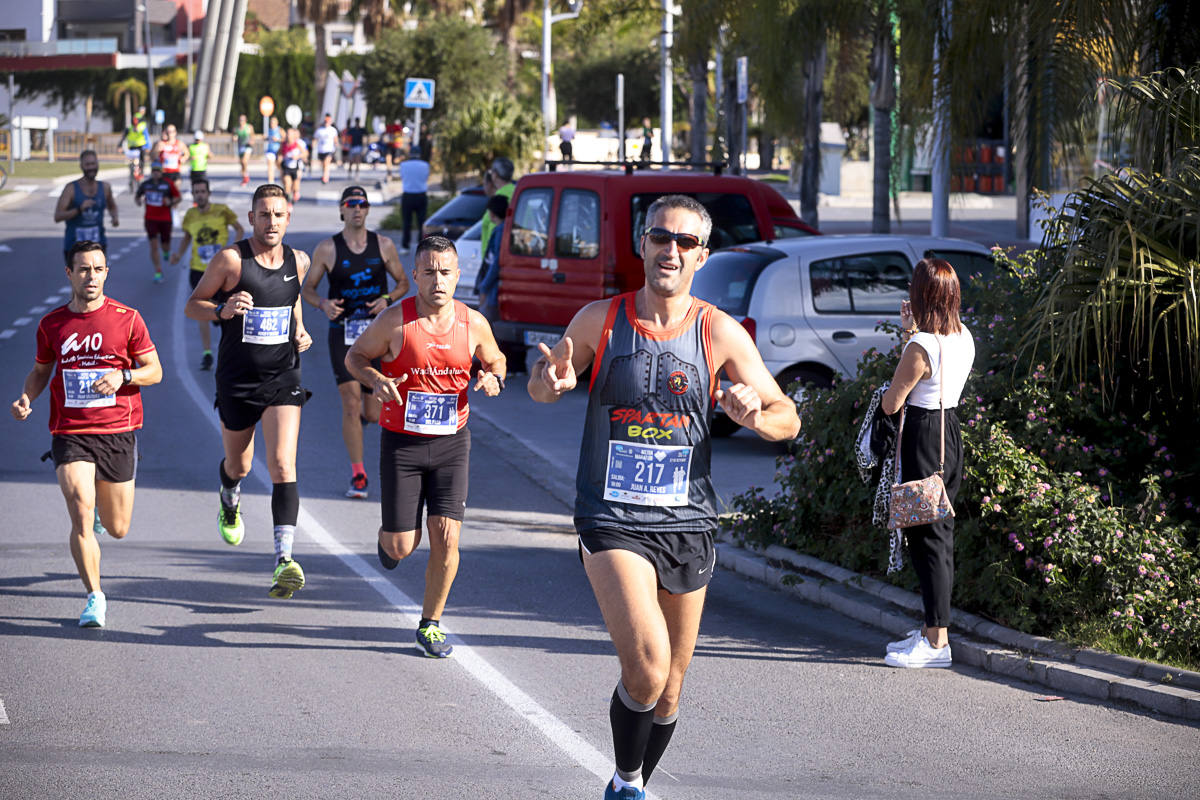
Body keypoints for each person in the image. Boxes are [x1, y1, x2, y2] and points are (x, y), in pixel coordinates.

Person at [527, 195, 800, 799]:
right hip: (610, 517)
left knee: (672, 686)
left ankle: (634, 782)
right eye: (659, 238)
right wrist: (551, 382)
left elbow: (789, 418)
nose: (669, 250)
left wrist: (755, 414)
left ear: (702, 256)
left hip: (688, 519)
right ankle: (627, 784)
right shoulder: (601, 318)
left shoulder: (719, 331)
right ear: (641, 245)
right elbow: (545, 388)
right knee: (647, 670)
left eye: (683, 242)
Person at [345, 236, 506, 658]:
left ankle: (430, 623)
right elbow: (355, 357)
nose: (438, 280)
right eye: (429, 271)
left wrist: (493, 377)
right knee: (402, 545)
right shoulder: (396, 321)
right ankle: (390, 543)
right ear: (415, 275)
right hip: (403, 444)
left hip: (453, 443)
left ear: (457, 276)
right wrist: (376, 380)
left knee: (447, 536)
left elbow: (496, 359)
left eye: (446, 272)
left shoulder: (473, 323)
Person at [11, 240, 163, 628]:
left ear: (106, 272)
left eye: (97, 269)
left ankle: (101, 515)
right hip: (71, 431)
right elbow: (41, 370)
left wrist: (123, 375)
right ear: (70, 274)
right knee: (80, 502)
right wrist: (27, 396)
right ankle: (94, 596)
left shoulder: (128, 319)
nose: (90, 276)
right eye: (83, 269)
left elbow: (154, 371)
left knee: (118, 528)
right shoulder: (52, 325)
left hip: (117, 431)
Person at [184, 183, 313, 600]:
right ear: (252, 217)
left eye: (279, 214)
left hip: (283, 376)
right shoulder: (231, 261)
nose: (271, 221)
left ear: (288, 218)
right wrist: (221, 310)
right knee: (238, 466)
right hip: (238, 378)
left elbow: (292, 301)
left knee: (282, 465)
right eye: (264, 214)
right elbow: (193, 304)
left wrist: (300, 328)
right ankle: (228, 496)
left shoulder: (300, 260)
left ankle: (283, 561)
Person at [879, 258, 975, 669]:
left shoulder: (922, 348)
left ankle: (937, 644)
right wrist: (909, 332)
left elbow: (892, 401)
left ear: (923, 295)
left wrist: (909, 339)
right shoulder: (963, 336)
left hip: (922, 437)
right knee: (936, 536)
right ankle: (931, 633)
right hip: (948, 433)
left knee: (929, 541)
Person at [302, 186, 409, 499]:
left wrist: (386, 299)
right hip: (343, 334)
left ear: (367, 210)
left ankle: (358, 429)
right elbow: (307, 289)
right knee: (350, 404)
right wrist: (322, 304)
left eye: (362, 204)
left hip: (376, 337)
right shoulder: (327, 249)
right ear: (342, 210)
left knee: (374, 412)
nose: (357, 209)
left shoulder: (384, 245)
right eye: (351, 204)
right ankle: (358, 475)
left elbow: (404, 282)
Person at [171, 177, 244, 370]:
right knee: (202, 311)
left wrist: (234, 249)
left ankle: (229, 350)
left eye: (203, 192)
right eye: (196, 192)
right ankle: (207, 353)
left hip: (221, 272)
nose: (200, 195)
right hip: (198, 270)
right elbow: (187, 237)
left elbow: (239, 228)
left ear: (209, 194)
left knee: (226, 313)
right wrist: (178, 254)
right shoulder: (190, 215)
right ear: (193, 195)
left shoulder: (222, 210)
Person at [55, 150, 119, 266]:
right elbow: (58, 216)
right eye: (87, 164)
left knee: (97, 282)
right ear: (81, 166)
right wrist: (79, 209)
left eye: (93, 164)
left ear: (98, 164)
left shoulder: (105, 187)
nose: (91, 168)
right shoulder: (71, 189)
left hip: (98, 245)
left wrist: (114, 218)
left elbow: (112, 206)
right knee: (79, 283)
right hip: (74, 247)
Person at [134, 161, 182, 283]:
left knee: (165, 245)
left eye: (158, 171)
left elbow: (178, 197)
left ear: (161, 172)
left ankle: (166, 251)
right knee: (154, 245)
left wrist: (170, 202)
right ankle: (158, 271)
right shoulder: (146, 185)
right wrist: (139, 201)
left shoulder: (167, 184)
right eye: (154, 170)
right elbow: (137, 196)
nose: (156, 173)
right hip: (150, 219)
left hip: (165, 219)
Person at [474, 194, 508, 321]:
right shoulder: (505, 228)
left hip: (492, 290)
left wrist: (484, 286)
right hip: (493, 288)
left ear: (492, 214)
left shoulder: (500, 231)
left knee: (485, 322)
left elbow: (496, 262)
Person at [479, 156, 515, 254]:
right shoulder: (517, 193)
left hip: (495, 256)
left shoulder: (500, 198)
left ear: (495, 175)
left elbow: (493, 227)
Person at [398, 145, 430, 254]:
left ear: (410, 153)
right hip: (421, 195)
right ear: (419, 154)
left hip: (408, 195)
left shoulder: (403, 165)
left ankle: (405, 246)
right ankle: (421, 246)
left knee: (407, 222)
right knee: (422, 222)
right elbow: (425, 178)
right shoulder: (425, 165)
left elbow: (403, 177)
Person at [119, 109, 150, 181]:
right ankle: (131, 173)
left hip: (141, 146)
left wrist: (148, 147)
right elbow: (123, 137)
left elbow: (147, 137)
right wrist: (120, 146)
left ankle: (141, 172)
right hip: (132, 147)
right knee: (131, 161)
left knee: (142, 160)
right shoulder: (129, 128)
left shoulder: (142, 127)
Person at [279, 128, 308, 203]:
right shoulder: (283, 144)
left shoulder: (297, 144)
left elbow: (305, 153)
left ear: (293, 135)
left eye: (290, 134)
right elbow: (279, 153)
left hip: (295, 167)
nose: (288, 136)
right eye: (287, 134)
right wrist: (279, 158)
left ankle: (295, 193)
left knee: (295, 187)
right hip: (286, 168)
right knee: (287, 185)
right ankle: (288, 201)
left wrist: (297, 157)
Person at [313, 113, 339, 184]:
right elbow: (315, 139)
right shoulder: (319, 130)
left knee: (326, 163)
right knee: (323, 164)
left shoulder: (333, 130)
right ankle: (325, 175)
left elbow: (335, 140)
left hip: (329, 149)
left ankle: (325, 177)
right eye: (325, 121)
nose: (326, 122)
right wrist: (313, 146)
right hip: (321, 150)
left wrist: (337, 148)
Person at [235, 114, 255, 186]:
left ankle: (246, 176)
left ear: (245, 121)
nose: (241, 121)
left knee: (244, 161)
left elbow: (252, 136)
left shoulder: (249, 127)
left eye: (243, 120)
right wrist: (234, 138)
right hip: (240, 147)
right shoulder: (237, 129)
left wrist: (252, 141)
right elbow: (234, 136)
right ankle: (245, 177)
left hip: (247, 146)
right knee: (241, 164)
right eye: (240, 120)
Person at [264, 116, 284, 185]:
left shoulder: (280, 130)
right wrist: (266, 138)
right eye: (271, 122)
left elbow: (285, 139)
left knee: (279, 165)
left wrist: (278, 140)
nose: (272, 124)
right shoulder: (269, 130)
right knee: (270, 165)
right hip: (270, 150)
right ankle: (271, 182)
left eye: (273, 122)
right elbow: (267, 138)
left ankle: (283, 179)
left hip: (278, 151)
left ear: (277, 123)